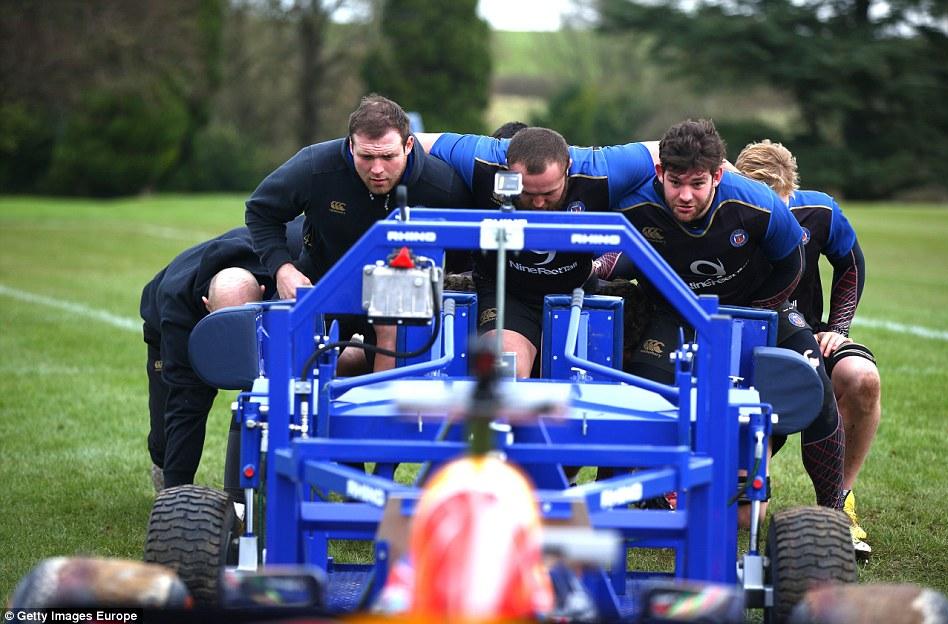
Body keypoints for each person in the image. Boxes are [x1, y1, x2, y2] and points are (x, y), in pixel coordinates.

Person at [612, 119, 846, 518]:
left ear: (718, 175)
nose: (685, 195)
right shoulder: (632, 204)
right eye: (675, 182)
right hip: (676, 311)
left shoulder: (757, 204)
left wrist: (755, 314)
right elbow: (607, 252)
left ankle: (834, 507)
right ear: (659, 173)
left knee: (815, 388)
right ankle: (639, 496)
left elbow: (792, 264)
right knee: (640, 395)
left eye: (698, 183)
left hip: (759, 307)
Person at [245, 94, 475, 372]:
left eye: (388, 156)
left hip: (405, 299)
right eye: (366, 156)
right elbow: (260, 211)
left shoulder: (444, 186)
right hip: (324, 281)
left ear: (409, 144)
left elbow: (467, 253)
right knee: (279, 365)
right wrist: (283, 270)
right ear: (351, 145)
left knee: (404, 385)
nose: (377, 169)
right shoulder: (315, 167)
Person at [417, 127, 660, 378]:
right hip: (507, 293)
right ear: (506, 167)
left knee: (575, 382)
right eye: (528, 194)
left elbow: (670, 152)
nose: (539, 204)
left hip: (573, 289)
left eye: (548, 193)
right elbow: (408, 142)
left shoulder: (601, 169)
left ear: (569, 167)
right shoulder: (482, 159)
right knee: (505, 375)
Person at [736, 139, 880, 558]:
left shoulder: (820, 211)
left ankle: (840, 505)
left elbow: (851, 264)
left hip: (808, 331)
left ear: (791, 190)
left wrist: (837, 327)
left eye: (777, 203)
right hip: (747, 335)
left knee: (862, 378)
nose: (771, 215)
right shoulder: (726, 212)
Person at [141, 220, 303, 491]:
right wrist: (175, 495)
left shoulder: (288, 264)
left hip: (263, 294)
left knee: (267, 389)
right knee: (167, 432)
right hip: (164, 325)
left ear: (263, 293)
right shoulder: (177, 306)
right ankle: (164, 469)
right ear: (207, 306)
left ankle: (258, 489)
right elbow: (186, 402)